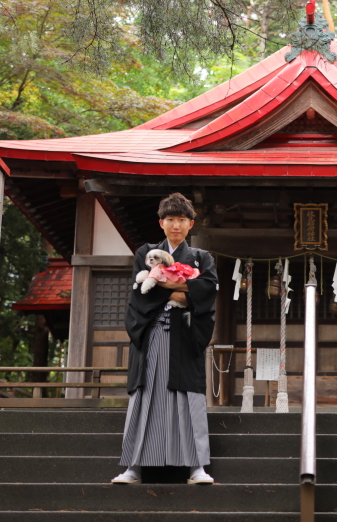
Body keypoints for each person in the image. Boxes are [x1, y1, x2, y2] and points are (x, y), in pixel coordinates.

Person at [112, 193, 219, 485]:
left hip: (184, 336)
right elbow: (140, 292)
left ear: (190, 224)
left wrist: (162, 284)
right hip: (152, 336)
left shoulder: (202, 258)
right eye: (170, 219)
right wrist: (182, 289)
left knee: (189, 400)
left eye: (182, 220)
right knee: (146, 398)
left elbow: (206, 292)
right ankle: (133, 467)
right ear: (161, 223)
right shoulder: (145, 252)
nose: (176, 225)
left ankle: (196, 468)